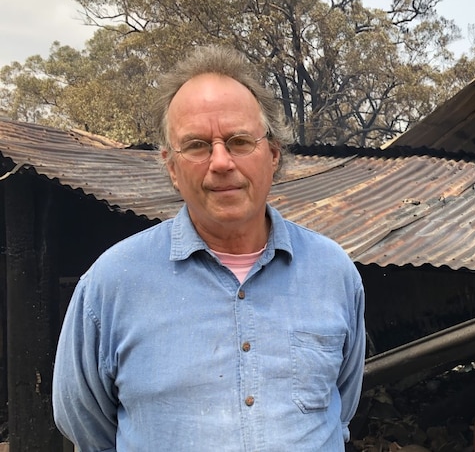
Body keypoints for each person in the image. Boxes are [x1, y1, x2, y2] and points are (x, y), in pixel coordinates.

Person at [52, 45, 366, 451]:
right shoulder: (111, 284)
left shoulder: (332, 271)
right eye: (197, 145)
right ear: (171, 167)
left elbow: (342, 406)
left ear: (272, 155)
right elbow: (85, 425)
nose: (220, 162)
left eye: (238, 141)